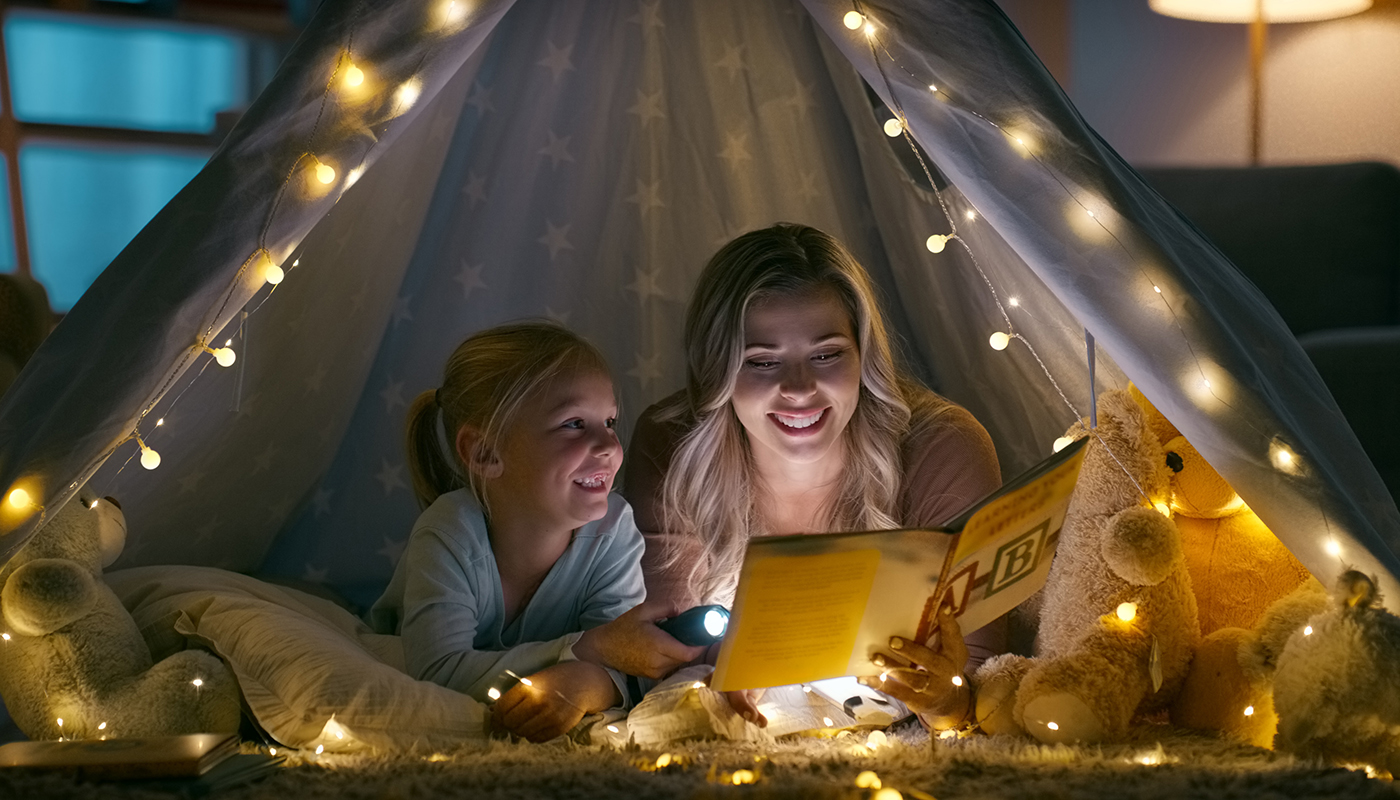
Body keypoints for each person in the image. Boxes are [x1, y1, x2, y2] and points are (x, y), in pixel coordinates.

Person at [622, 224, 1004, 731]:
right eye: (761, 361)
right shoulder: (673, 444)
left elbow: (977, 679)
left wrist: (947, 703)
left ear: (863, 354)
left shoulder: (943, 446)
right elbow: (665, 654)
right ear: (719, 370)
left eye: (826, 354)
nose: (799, 388)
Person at [371, 321, 705, 742]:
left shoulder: (613, 530)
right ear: (485, 452)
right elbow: (440, 670)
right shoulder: (448, 534)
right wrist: (589, 650)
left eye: (610, 421)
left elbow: (624, 657)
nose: (608, 446)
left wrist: (589, 680)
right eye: (573, 424)